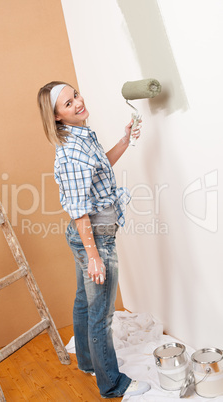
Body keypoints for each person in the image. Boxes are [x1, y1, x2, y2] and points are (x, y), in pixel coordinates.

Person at [37, 81, 151, 398]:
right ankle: (112, 384)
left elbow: (101, 168)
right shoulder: (70, 154)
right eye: (67, 103)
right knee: (101, 314)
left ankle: (87, 362)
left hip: (87, 237)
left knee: (84, 301)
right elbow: (79, 211)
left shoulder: (83, 134)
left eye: (75, 95)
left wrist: (125, 139)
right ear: (57, 116)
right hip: (94, 238)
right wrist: (94, 257)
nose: (77, 102)